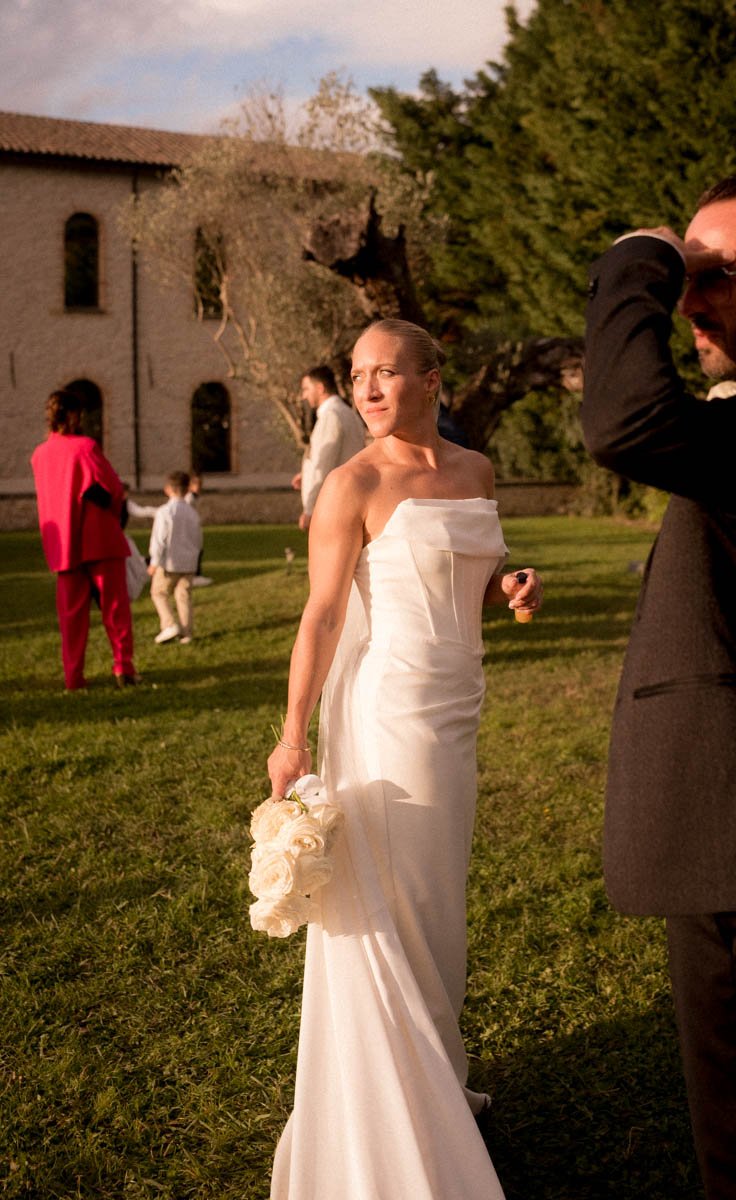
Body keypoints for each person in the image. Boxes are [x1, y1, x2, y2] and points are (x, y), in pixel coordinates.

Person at [266, 318, 542, 1199]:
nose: (368, 389)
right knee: (403, 902)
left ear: (431, 379)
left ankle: (433, 1074)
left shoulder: (476, 471)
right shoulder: (353, 482)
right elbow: (322, 615)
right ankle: (399, 1104)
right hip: (390, 716)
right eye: (358, 375)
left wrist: (509, 587)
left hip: (457, 711)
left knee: (438, 904)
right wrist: (292, 734)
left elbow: (471, 572)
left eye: (386, 372)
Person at [581, 168, 736, 1199]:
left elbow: (626, 422)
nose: (688, 300)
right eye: (683, 275)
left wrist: (639, 256)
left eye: (714, 273)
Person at [30, 389, 138, 690]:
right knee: (114, 610)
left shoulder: (39, 455)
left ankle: (73, 677)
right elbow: (113, 488)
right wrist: (112, 513)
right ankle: (123, 668)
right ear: (74, 415)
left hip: (64, 545)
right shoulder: (85, 446)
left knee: (71, 618)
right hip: (98, 538)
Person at [291, 364, 365, 530]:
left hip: (333, 507)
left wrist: (310, 509)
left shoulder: (330, 416)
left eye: (306, 389)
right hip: (351, 501)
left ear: (320, 388)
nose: (303, 396)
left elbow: (323, 465)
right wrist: (306, 475)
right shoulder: (348, 413)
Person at [147, 471, 203, 645]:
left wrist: (154, 562)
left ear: (168, 489)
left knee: (158, 593)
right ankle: (187, 633)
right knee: (183, 596)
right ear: (187, 490)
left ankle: (169, 624)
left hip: (169, 562)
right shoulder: (193, 513)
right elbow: (198, 539)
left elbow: (159, 539)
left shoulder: (165, 512)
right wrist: (194, 558)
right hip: (189, 562)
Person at [185, 471, 213, 586]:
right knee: (195, 551)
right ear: (190, 486)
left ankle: (196, 574)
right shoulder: (189, 498)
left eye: (200, 484)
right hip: (190, 530)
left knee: (199, 551)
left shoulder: (194, 497)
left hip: (194, 528)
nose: (199, 486)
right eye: (196, 484)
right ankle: (195, 576)